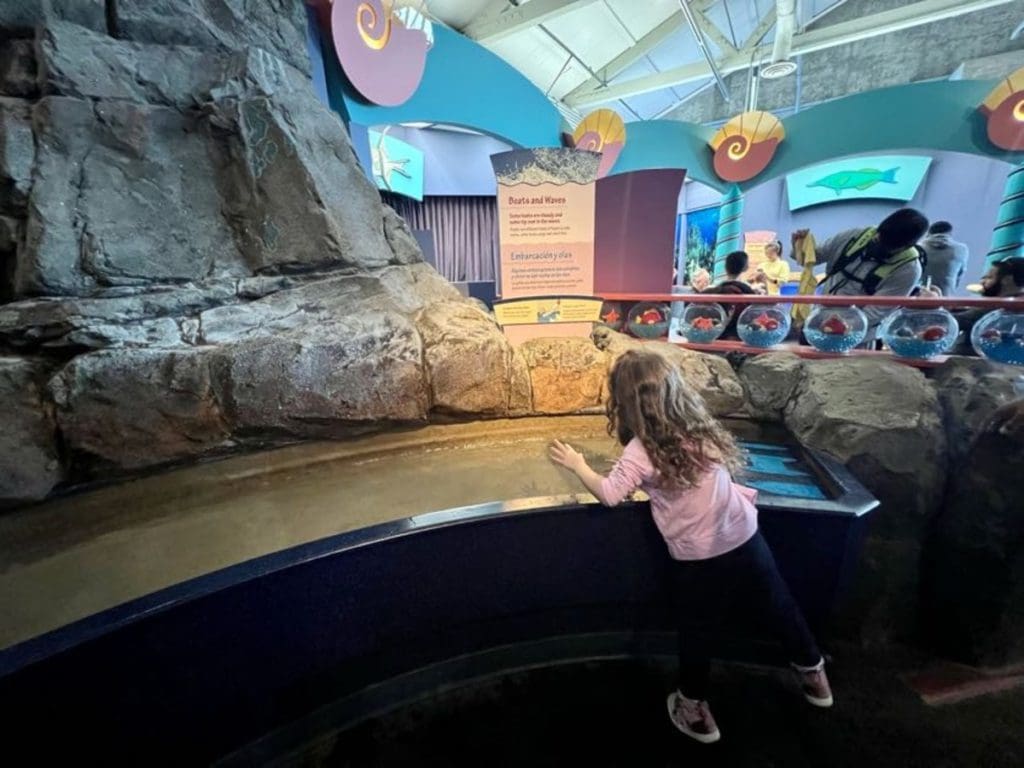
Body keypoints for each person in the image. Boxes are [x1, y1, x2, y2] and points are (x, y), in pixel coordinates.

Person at [549, 350, 832, 745]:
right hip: (745, 535)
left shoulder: (640, 451)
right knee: (779, 604)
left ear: (625, 402)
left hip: (700, 558)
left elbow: (611, 495)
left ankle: (695, 711)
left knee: (697, 632)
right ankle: (813, 674)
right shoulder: (698, 424)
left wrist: (578, 465)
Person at [793, 208, 929, 333]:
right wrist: (800, 246)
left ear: (907, 246)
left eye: (890, 247)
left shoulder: (908, 270)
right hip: (820, 317)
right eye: (880, 239)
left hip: (858, 333)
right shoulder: (853, 237)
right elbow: (813, 258)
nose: (881, 246)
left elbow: (877, 311)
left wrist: (843, 327)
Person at [950, 257, 1024, 355]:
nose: (982, 282)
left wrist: (935, 305)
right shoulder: (1017, 302)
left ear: (1007, 280)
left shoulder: (998, 307)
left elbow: (955, 322)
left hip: (971, 361)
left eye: (989, 277)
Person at [703, 251, 757, 339]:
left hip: (714, 333)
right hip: (740, 334)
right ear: (745, 267)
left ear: (726, 266)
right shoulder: (746, 290)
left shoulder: (714, 290)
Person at [921, 221, 968, 299]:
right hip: (946, 295)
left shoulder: (919, 246)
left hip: (921, 294)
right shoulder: (961, 249)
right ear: (949, 233)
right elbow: (960, 273)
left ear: (929, 232)